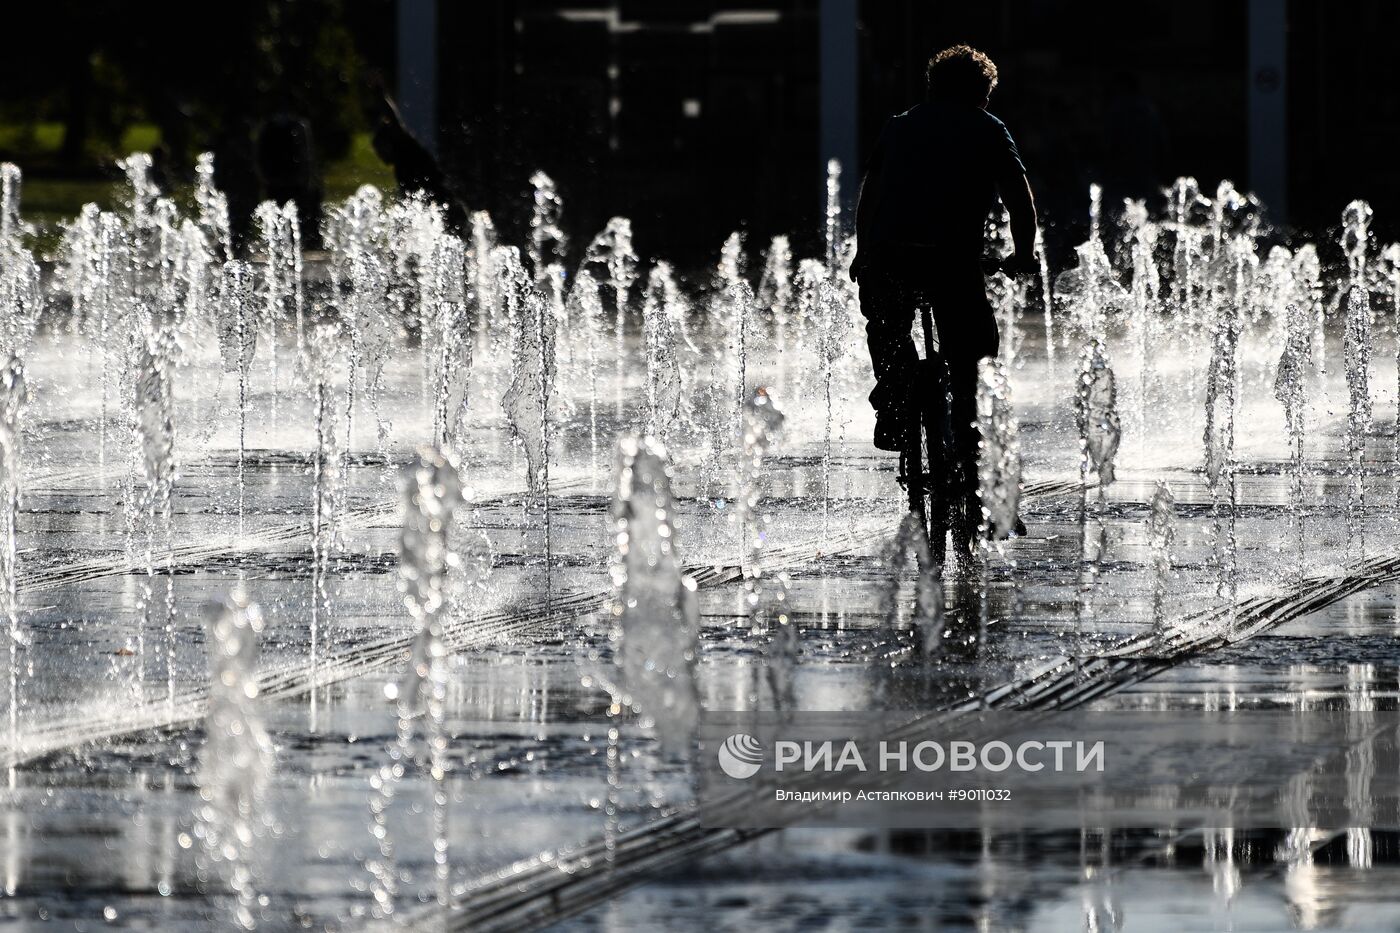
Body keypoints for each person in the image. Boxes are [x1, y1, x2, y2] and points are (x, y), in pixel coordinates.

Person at [851, 44, 1037, 535]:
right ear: (984, 94)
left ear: (932, 87)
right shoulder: (989, 128)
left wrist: (864, 252)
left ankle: (895, 402)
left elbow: (870, 194)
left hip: (890, 256)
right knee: (975, 359)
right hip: (952, 262)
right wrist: (1022, 253)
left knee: (886, 324)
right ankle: (976, 478)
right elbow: (1019, 199)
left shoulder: (898, 126)